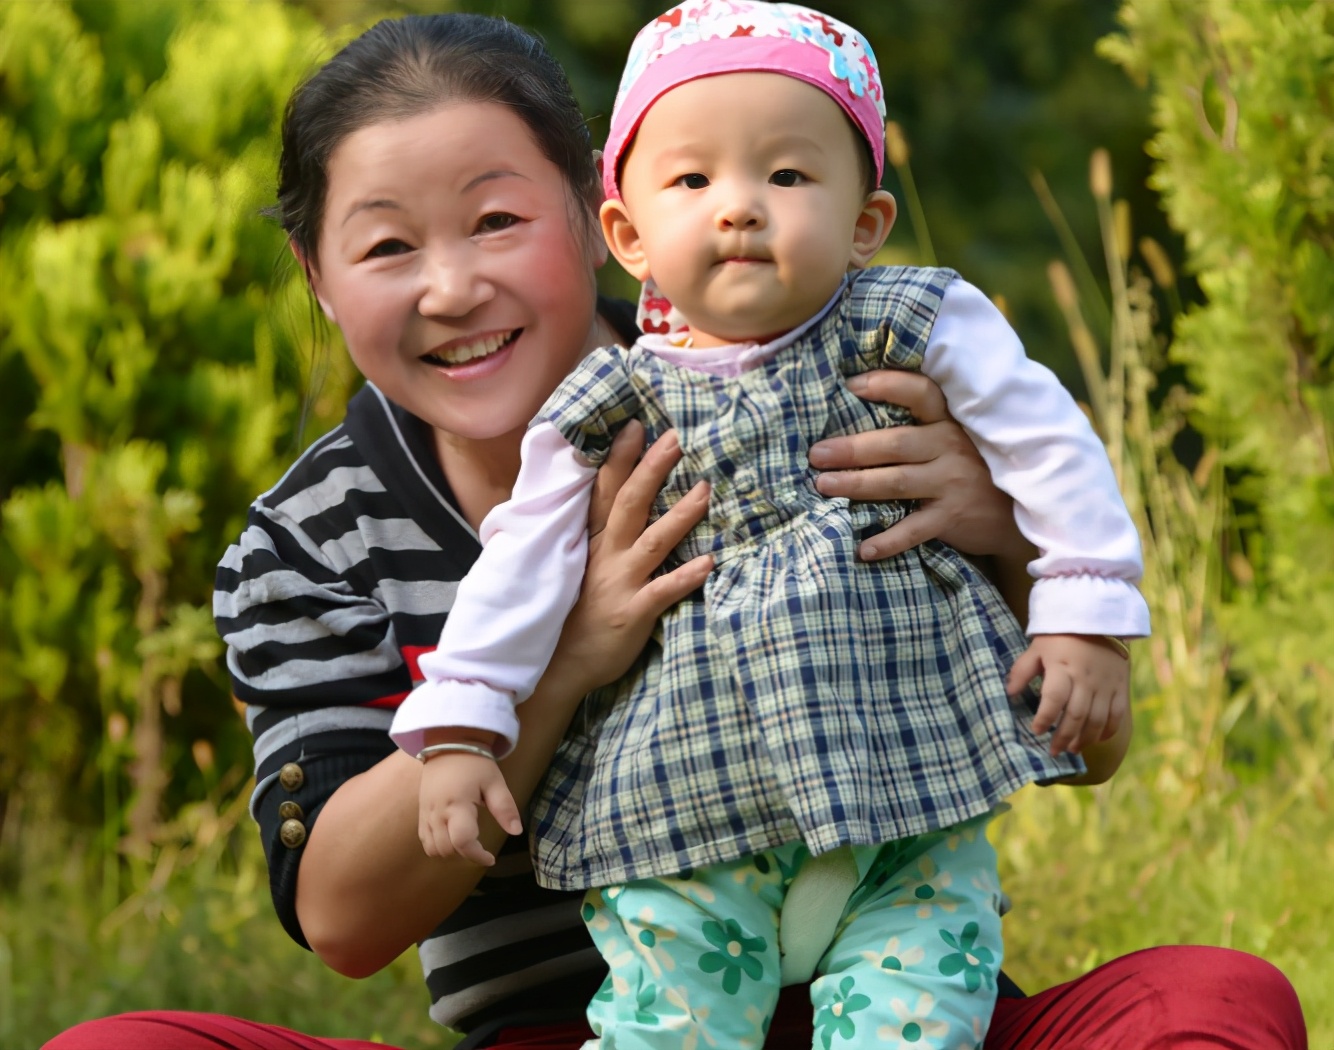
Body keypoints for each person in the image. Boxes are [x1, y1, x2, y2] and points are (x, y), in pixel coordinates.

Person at [43, 11, 1307, 1050]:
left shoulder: (856, 376)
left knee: (1213, 1001)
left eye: (497, 221)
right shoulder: (312, 539)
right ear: (320, 281)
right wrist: (567, 656)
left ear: (604, 217)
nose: (452, 287)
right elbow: (343, 919)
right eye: (383, 246)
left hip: (903, 995)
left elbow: (1091, 749)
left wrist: (1000, 537)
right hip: (592, 1024)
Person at [392, 3, 1147, 1046]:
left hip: (904, 784)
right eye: (692, 181)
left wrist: (1081, 615)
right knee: (670, 1023)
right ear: (627, 233)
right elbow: (518, 564)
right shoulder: (607, 410)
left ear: (864, 222)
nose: (739, 207)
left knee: (921, 1008)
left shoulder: (915, 323)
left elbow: (1046, 445)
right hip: (684, 812)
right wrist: (463, 727)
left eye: (787, 177)